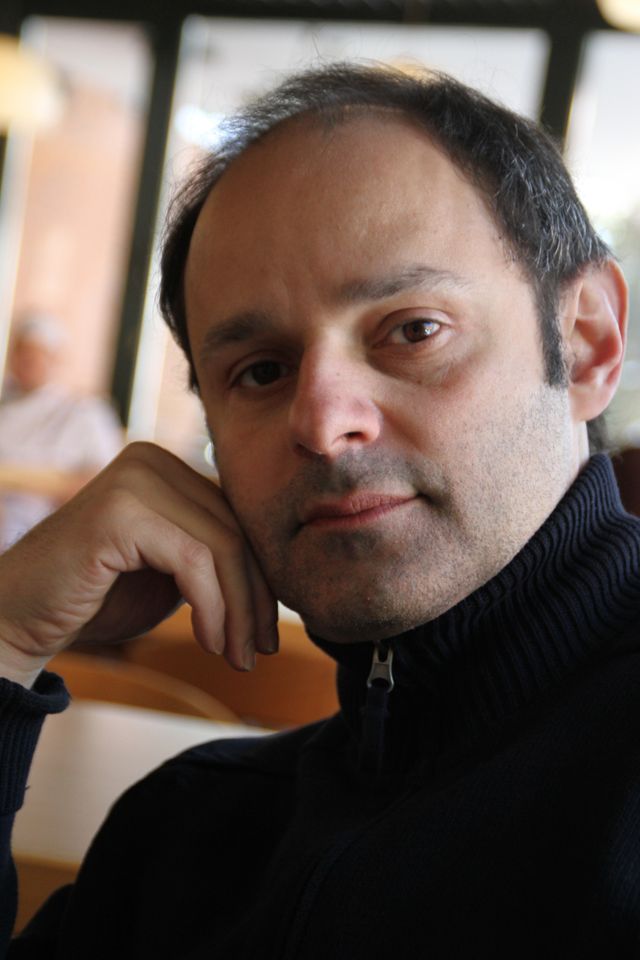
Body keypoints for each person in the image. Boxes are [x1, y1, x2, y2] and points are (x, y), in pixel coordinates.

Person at [0, 62, 637, 957]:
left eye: (413, 330)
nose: (322, 421)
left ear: (588, 343)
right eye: (260, 371)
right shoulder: (187, 834)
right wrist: (5, 639)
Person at [0, 313, 124, 551]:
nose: (26, 361)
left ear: (55, 359)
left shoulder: (84, 412)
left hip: (47, 536)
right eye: (21, 352)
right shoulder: (4, 405)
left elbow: (108, 482)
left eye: (35, 355)